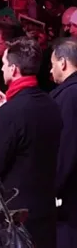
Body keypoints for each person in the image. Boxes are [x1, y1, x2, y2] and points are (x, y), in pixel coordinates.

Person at [0, 37, 62, 248]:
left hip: (17, 214)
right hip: (47, 205)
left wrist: (5, 112)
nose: (2, 69)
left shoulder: (12, 112)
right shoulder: (51, 102)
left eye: (3, 64)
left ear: (13, 69)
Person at [49, 37, 77, 248]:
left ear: (63, 62)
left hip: (71, 198)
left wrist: (53, 189)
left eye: (52, 64)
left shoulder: (68, 96)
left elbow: (66, 147)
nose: (50, 71)